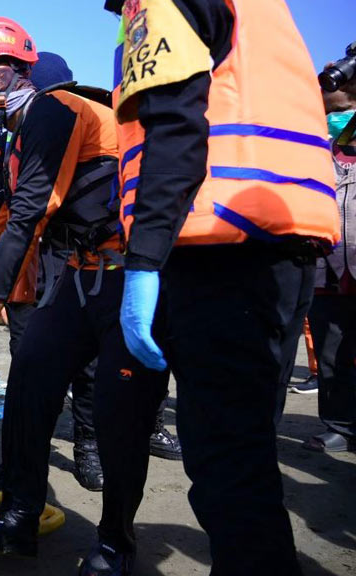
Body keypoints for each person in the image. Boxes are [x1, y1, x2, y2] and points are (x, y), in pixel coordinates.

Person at [0, 18, 171, 575]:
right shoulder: (15, 137)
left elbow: (30, 214)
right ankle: (18, 519)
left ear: (3, 74)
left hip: (126, 277)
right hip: (80, 278)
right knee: (31, 379)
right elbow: (0, 218)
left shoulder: (55, 111)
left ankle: (115, 544)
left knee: (118, 414)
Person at [105, 0, 339, 574]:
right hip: (283, 245)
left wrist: (144, 260)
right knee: (248, 455)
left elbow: (177, 124)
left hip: (217, 253)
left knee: (226, 468)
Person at [304, 70, 356, 452]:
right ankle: (339, 425)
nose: (333, 117)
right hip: (327, 272)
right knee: (331, 352)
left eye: (341, 109)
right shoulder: (316, 148)